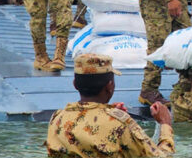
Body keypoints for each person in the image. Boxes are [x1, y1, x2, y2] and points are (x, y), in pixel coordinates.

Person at [46, 53, 175, 157]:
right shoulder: (121, 124)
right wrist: (165, 125)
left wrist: (109, 112)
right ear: (110, 86)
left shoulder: (57, 118)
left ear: (75, 84)